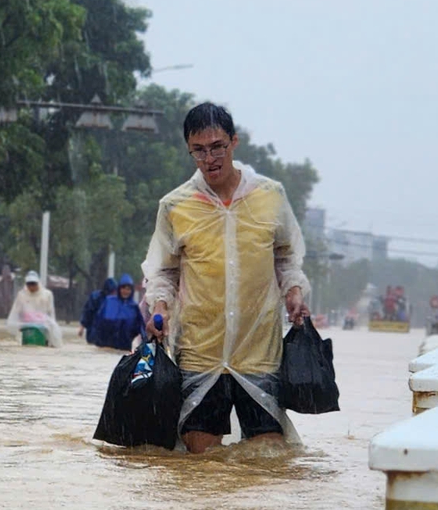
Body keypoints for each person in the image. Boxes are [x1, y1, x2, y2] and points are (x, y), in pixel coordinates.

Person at [143, 102, 309, 453]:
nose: (210, 159)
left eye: (217, 147)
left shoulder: (270, 196)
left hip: (259, 351)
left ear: (234, 141)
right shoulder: (175, 205)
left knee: (268, 454)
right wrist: (159, 308)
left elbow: (286, 257)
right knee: (201, 459)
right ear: (189, 150)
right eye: (199, 150)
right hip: (199, 351)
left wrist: (294, 292)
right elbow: (164, 271)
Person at [6, 270, 63, 347]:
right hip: (27, 326)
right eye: (29, 284)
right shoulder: (21, 295)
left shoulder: (47, 294)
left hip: (44, 325)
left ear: (38, 283)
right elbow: (16, 311)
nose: (31, 287)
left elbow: (51, 312)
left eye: (33, 284)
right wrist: (19, 324)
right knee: (27, 345)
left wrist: (50, 327)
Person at [89, 274, 144, 351]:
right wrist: (93, 337)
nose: (126, 291)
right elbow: (97, 320)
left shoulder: (134, 307)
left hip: (124, 347)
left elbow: (140, 327)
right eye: (123, 288)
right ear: (119, 289)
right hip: (104, 345)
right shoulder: (109, 301)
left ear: (131, 291)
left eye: (128, 289)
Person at [79, 276, 113, 344]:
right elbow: (87, 312)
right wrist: (82, 328)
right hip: (94, 332)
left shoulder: (116, 300)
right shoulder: (95, 297)